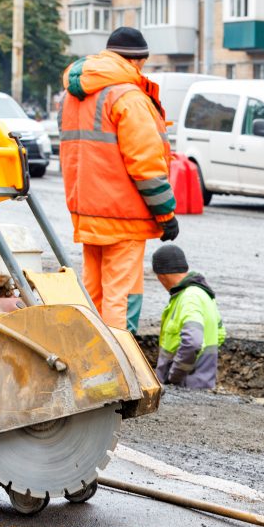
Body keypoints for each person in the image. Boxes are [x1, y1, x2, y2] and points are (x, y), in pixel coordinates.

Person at [60, 27, 178, 333]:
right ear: (138, 62)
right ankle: (120, 371)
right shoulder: (128, 96)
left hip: (87, 211)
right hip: (124, 214)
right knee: (121, 298)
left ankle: (90, 365)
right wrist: (165, 213)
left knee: (93, 293)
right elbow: (146, 162)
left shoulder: (74, 95)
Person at [150, 244, 226, 389]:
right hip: (202, 384)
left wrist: (174, 377)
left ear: (162, 276)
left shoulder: (188, 298)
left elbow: (193, 343)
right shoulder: (203, 293)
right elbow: (220, 334)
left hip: (185, 386)